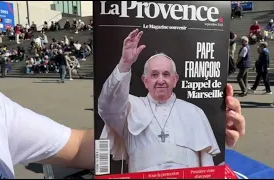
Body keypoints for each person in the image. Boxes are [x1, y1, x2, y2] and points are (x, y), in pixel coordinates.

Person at [98, 29, 246, 173]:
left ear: (175, 80)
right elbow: (107, 106)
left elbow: (206, 162)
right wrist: (125, 63)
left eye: (166, 74)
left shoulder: (194, 112)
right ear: (145, 81)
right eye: (154, 74)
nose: (160, 80)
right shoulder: (129, 106)